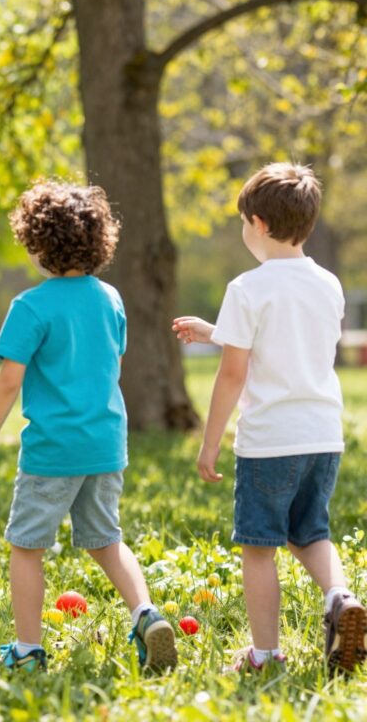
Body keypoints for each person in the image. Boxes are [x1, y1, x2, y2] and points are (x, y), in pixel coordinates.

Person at [0, 181, 176, 673]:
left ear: (37, 243)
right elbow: (115, 360)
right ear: (99, 241)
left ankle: (26, 652)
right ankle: (146, 613)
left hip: (52, 449)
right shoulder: (110, 298)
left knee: (26, 548)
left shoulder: (32, 306)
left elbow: (7, 384)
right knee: (107, 539)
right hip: (106, 442)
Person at [173, 162, 365, 674]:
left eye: (242, 223)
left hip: (269, 441)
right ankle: (340, 597)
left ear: (257, 223)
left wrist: (209, 444)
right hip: (322, 435)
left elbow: (235, 373)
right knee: (311, 532)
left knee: (259, 548)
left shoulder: (247, 288)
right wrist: (216, 330)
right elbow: (288, 341)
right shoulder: (327, 284)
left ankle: (263, 655)